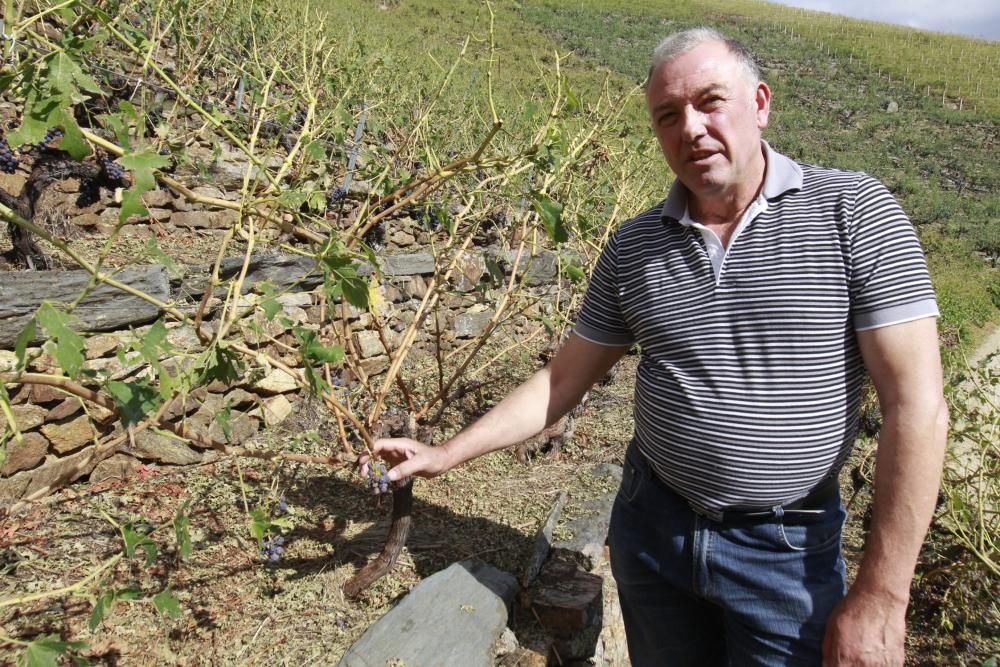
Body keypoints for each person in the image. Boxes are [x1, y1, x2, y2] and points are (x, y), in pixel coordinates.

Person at [365, 27, 948, 667]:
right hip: (653, 529)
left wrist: (883, 597)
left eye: (709, 102)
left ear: (759, 103)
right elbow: (562, 381)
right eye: (668, 115)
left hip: (785, 550)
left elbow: (915, 407)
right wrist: (447, 453)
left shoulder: (855, 213)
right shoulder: (635, 245)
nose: (690, 128)